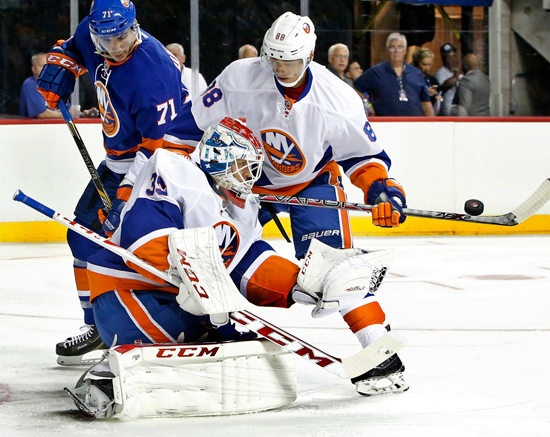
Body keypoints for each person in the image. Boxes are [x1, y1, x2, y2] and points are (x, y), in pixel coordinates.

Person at [162, 11, 410, 386]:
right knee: (212, 254)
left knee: (336, 271)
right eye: (273, 57)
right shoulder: (240, 76)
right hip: (245, 182)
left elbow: (364, 157)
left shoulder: (337, 99)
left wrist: (381, 190)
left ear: (309, 56)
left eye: (289, 60)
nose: (279, 66)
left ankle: (380, 351)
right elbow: (188, 127)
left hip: (311, 185)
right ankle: (209, 328)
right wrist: (169, 173)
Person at [84, 118, 407, 402]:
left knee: (238, 354)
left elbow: (246, 263)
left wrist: (297, 285)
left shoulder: (241, 208)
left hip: (185, 300)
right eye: (244, 165)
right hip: (128, 290)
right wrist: (193, 279)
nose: (251, 175)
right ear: (217, 158)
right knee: (164, 356)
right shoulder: (174, 170)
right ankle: (110, 374)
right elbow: (143, 240)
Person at [35, 0, 196, 365]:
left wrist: (125, 194)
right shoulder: (93, 32)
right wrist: (62, 65)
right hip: (121, 160)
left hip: (166, 165)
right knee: (83, 238)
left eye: (122, 36)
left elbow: (160, 148)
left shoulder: (152, 73)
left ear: (134, 25)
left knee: (137, 246)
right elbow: (73, 47)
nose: (116, 45)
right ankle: (97, 328)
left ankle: (166, 319)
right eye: (107, 39)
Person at [353, 33, 433, 116]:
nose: (396, 50)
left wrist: (433, 125)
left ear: (405, 51)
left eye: (400, 47)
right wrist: (368, 105)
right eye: (392, 47)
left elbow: (426, 103)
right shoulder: (376, 72)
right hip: (386, 124)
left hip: (413, 124)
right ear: (387, 51)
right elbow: (356, 88)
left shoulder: (416, 73)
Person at [19, 53, 63, 119]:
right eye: (42, 66)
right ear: (33, 69)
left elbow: (68, 109)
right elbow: (42, 114)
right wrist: (67, 115)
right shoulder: (30, 84)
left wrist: (81, 114)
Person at [412, 47, 442, 115]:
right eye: (424, 64)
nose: (427, 68)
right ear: (417, 63)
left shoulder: (432, 80)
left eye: (430, 65)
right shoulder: (410, 78)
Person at [434, 43, 461, 116]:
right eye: (449, 57)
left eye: (454, 57)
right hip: (445, 112)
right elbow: (445, 86)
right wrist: (456, 76)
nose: (452, 60)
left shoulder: (458, 72)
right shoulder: (440, 73)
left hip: (459, 112)